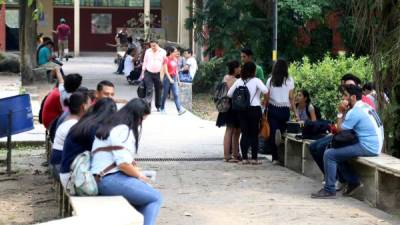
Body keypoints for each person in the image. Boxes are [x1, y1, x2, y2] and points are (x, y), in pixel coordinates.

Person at [91, 98, 162, 225]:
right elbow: (123, 165)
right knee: (155, 197)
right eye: (141, 119)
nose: (140, 123)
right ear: (135, 116)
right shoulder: (123, 130)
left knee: (144, 198)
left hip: (101, 178)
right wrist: (139, 176)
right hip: (108, 179)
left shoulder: (111, 125)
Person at [311, 84, 384, 198]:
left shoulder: (355, 111)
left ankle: (329, 189)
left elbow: (339, 130)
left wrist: (340, 112)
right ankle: (353, 182)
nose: (343, 99)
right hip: (374, 144)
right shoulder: (364, 107)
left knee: (329, 154)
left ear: (353, 97)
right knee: (337, 149)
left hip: (368, 146)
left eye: (345, 96)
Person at [59, 98, 117, 187]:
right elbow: (100, 156)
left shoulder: (86, 123)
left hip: (68, 173)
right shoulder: (94, 128)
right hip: (75, 179)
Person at [227, 62, 268, 165]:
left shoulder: (239, 81)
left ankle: (244, 158)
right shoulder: (256, 81)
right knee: (254, 134)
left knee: (244, 134)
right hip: (255, 110)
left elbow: (229, 94)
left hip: (242, 110)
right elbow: (266, 91)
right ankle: (254, 159)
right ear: (254, 71)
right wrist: (263, 101)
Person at [50, 91, 92, 176]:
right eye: (89, 104)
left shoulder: (69, 119)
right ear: (83, 107)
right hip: (62, 167)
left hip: (60, 164)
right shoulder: (73, 125)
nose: (91, 107)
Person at [265, 59, 299, 165]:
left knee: (274, 134)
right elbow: (291, 98)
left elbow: (267, 97)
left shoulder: (270, 80)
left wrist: (264, 107)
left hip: (273, 109)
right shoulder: (289, 80)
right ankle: (284, 157)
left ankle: (275, 158)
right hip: (285, 110)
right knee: (284, 134)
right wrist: (296, 114)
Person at [216, 60, 241, 162]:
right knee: (236, 131)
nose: (240, 69)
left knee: (228, 131)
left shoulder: (225, 78)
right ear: (235, 69)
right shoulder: (236, 80)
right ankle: (234, 154)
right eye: (239, 67)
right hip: (234, 108)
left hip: (225, 107)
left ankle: (227, 155)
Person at [140, 40, 167, 111]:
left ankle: (158, 106)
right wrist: (142, 73)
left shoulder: (163, 52)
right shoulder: (148, 51)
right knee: (149, 89)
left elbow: (164, 64)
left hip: (159, 73)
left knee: (159, 89)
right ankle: (147, 106)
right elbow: (145, 62)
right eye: (151, 46)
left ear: (158, 44)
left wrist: (163, 74)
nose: (153, 47)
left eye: (154, 46)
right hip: (148, 72)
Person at [160, 46, 186, 115]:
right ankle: (162, 108)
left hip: (174, 77)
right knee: (165, 94)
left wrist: (178, 80)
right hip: (167, 78)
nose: (176, 53)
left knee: (176, 94)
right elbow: (165, 71)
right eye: (175, 51)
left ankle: (179, 109)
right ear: (171, 52)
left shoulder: (175, 59)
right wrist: (169, 79)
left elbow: (176, 70)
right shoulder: (166, 59)